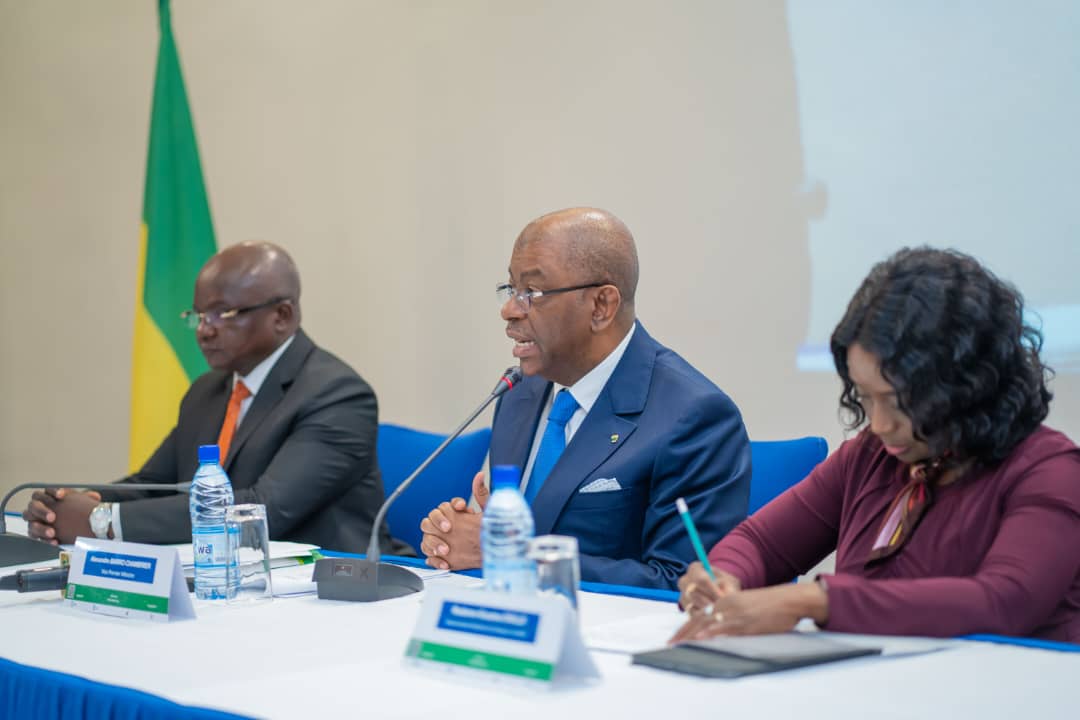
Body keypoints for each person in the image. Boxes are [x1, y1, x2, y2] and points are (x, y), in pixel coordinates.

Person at [672, 247, 1080, 643]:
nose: (880, 424)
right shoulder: (869, 457)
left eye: (900, 402)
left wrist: (815, 601)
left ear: (968, 385)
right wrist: (721, 576)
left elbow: (1003, 602)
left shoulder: (1050, 471)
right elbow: (760, 543)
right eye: (865, 397)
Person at [419, 207, 751, 589]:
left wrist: (509, 553)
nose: (509, 310)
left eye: (531, 293)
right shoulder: (519, 393)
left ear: (601, 306)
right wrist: (457, 536)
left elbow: (683, 583)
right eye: (511, 290)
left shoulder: (695, 416)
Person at [22, 242, 404, 554]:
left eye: (224, 314)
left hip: (330, 589)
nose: (204, 331)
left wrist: (105, 522)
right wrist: (74, 504)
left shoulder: (337, 395)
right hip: (223, 577)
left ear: (282, 316)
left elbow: (264, 509)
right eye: (199, 315)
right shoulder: (207, 391)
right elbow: (152, 482)